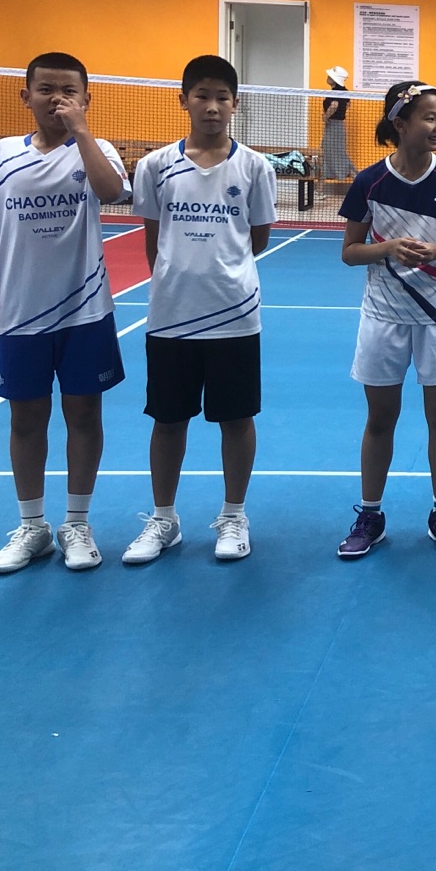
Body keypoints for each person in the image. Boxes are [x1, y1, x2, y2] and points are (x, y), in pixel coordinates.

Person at [0, 53, 131, 574]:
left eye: (69, 91)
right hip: (21, 312)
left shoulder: (97, 149)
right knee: (26, 418)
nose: (56, 98)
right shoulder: (2, 155)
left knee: (83, 415)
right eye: (45, 89)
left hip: (85, 311)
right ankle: (33, 527)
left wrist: (80, 131)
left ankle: (76, 523)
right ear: (26, 96)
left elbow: (112, 192)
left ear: (86, 99)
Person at [123, 55, 278, 566]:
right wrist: (176, 282)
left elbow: (256, 239)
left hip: (235, 314)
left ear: (235, 104)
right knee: (168, 419)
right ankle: (163, 519)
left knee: (236, 418)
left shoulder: (255, 167)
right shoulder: (154, 166)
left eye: (222, 97)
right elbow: (153, 240)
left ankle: (234, 516)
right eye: (202, 96)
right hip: (171, 316)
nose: (212, 106)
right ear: (184, 100)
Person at [335, 82, 436, 559]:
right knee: (380, 419)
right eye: (429, 117)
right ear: (400, 123)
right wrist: (388, 248)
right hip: (383, 316)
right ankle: (370, 515)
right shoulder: (370, 183)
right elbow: (350, 252)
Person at [321, 65, 357, 182]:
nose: (327, 77)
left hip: (333, 126)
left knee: (328, 152)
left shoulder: (335, 92)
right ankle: (353, 176)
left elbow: (334, 105)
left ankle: (354, 176)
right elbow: (347, 104)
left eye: (330, 76)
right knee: (337, 152)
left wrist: (326, 116)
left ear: (335, 79)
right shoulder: (345, 92)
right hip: (340, 127)